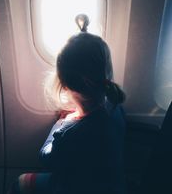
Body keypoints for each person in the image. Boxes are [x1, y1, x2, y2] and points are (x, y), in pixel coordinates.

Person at [8, 15, 126, 194]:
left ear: (64, 84)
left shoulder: (68, 133)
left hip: (73, 187)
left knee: (20, 182)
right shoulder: (116, 108)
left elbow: (45, 158)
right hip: (111, 186)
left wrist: (60, 124)